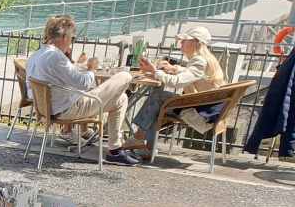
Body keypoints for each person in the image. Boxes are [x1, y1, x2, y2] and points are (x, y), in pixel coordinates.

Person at [25, 14, 138, 166]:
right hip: (67, 109)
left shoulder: (36, 55)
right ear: (64, 37)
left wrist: (78, 66)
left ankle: (115, 150)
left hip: (46, 109)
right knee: (125, 76)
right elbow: (83, 83)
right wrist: (92, 69)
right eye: (72, 37)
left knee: (121, 99)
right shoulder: (56, 57)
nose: (71, 41)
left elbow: (63, 75)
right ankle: (113, 148)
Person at [131, 25, 226, 155]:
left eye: (184, 40)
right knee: (158, 103)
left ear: (195, 42)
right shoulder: (207, 59)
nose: (181, 43)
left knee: (158, 96)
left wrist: (155, 72)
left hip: (200, 115)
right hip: (206, 109)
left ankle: (139, 138)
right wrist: (173, 68)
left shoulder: (199, 61)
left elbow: (177, 82)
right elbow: (193, 74)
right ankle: (144, 145)